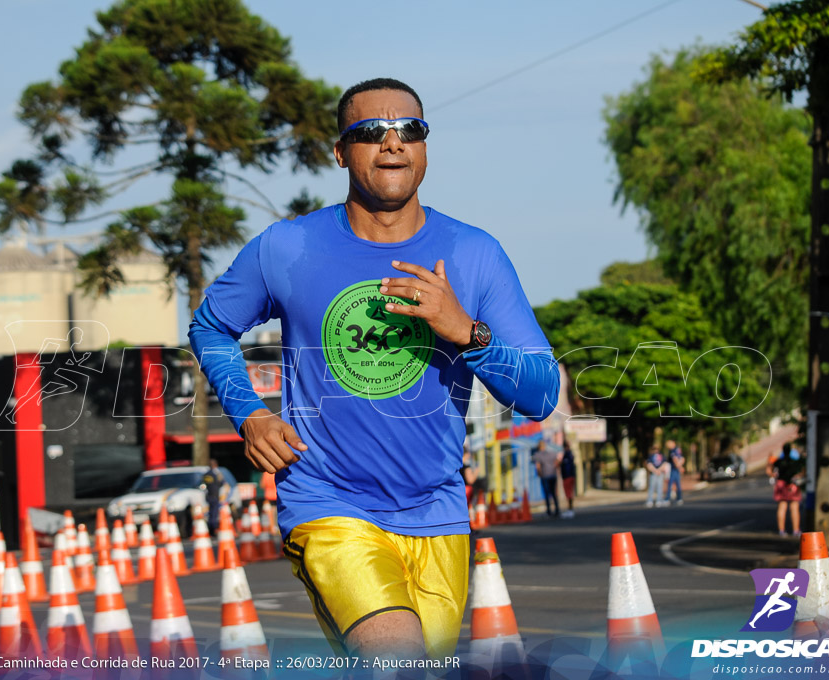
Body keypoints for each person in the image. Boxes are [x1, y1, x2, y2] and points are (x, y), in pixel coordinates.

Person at [188, 78, 561, 660]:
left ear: (425, 147)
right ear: (340, 152)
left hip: (438, 513)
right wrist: (250, 415)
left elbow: (541, 392)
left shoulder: (474, 253)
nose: (392, 143)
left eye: (409, 130)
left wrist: (465, 330)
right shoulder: (287, 247)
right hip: (328, 502)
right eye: (370, 132)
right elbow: (210, 326)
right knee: (397, 657)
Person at [766, 442, 804, 537]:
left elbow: (769, 469)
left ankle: (782, 531)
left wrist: (773, 475)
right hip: (792, 485)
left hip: (781, 484)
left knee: (782, 507)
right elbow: (803, 470)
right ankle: (796, 530)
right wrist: (798, 476)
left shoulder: (779, 461)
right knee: (794, 507)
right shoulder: (794, 461)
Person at [534, 443, 561, 517]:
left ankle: (549, 510)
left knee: (546, 494)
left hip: (545, 476)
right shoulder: (552, 453)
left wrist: (540, 475)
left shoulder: (538, 455)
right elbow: (558, 462)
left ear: (539, 447)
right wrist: (555, 469)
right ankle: (557, 509)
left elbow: (538, 466)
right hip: (553, 475)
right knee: (554, 493)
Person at [200, 459, 227, 532]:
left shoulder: (205, 475)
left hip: (208, 495)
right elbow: (221, 483)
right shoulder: (216, 474)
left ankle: (210, 527)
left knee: (210, 513)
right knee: (214, 513)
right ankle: (214, 528)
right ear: (215, 465)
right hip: (215, 496)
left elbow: (202, 485)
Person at [557, 441, 576, 518]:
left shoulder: (567, 455)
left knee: (568, 494)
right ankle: (570, 510)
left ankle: (570, 510)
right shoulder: (570, 454)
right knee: (570, 493)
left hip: (567, 477)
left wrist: (560, 464)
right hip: (571, 476)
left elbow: (565, 466)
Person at [664, 439, 685, 506]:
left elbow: (675, 459)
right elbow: (682, 458)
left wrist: (679, 467)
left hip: (673, 469)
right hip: (676, 469)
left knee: (670, 484)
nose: (668, 445)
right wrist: (680, 465)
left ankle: (667, 499)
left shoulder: (672, 451)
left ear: (673, 443)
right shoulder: (678, 449)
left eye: (669, 443)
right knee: (678, 484)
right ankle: (679, 499)